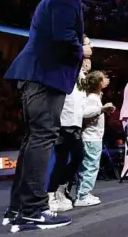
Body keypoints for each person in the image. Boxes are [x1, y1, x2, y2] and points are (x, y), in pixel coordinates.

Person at [3, 0, 89, 232]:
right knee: (41, 139)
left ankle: (18, 208)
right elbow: (63, 36)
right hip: (46, 76)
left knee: (33, 141)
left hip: (37, 76)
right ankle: (33, 210)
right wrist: (82, 50)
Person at [47, 48, 91, 213]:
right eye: (87, 45)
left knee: (77, 156)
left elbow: (80, 105)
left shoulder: (81, 77)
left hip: (75, 123)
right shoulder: (67, 72)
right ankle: (52, 194)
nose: (90, 49)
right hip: (63, 122)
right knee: (60, 160)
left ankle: (60, 189)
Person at [74, 71, 115, 207]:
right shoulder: (91, 97)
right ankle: (83, 195)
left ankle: (83, 193)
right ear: (98, 82)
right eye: (105, 78)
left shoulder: (95, 97)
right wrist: (102, 109)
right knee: (90, 166)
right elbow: (84, 113)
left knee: (89, 166)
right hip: (91, 138)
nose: (107, 79)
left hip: (93, 137)